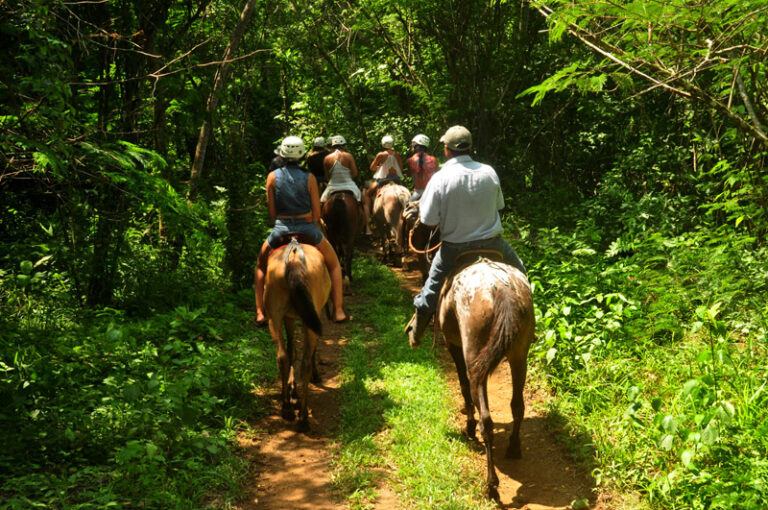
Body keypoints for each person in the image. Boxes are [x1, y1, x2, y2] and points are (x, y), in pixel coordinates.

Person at [404, 125, 527, 345]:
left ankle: (418, 328)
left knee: (432, 286)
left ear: (446, 149)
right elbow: (498, 206)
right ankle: (529, 327)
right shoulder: (489, 171)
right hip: (493, 244)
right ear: (470, 147)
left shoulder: (440, 178)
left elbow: (429, 220)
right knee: (522, 275)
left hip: (455, 247)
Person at [254, 135, 349, 325]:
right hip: (308, 229)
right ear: (302, 155)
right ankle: (338, 310)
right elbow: (316, 213)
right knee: (334, 264)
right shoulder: (310, 177)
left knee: (260, 267)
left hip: (280, 229)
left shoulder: (272, 177)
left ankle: (260, 312)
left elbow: (272, 214)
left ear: (282, 153)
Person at [322, 135, 372, 235]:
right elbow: (355, 173)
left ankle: (322, 230)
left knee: (321, 203)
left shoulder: (327, 158)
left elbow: (327, 177)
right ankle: (367, 227)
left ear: (333, 145)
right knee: (364, 202)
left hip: (332, 186)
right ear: (343, 145)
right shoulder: (348, 156)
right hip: (349, 185)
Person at [362, 135, 404, 228]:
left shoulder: (380, 155)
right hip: (396, 179)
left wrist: (380, 167)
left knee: (368, 194)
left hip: (383, 179)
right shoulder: (397, 154)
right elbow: (401, 168)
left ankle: (369, 219)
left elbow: (372, 168)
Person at [405, 134, 439, 202]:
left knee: (406, 209)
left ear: (415, 146)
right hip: (432, 192)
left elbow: (409, 174)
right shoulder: (433, 159)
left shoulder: (410, 160)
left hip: (418, 193)